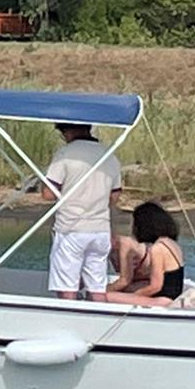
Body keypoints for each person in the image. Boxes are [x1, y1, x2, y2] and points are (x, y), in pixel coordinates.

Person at [40, 122, 122, 301]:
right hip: (100, 230)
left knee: (66, 286)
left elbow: (48, 194)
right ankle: (98, 315)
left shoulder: (65, 154)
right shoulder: (109, 155)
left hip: (71, 228)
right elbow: (114, 196)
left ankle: (68, 314)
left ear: (68, 132)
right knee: (97, 287)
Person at [107, 202, 185, 307]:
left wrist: (133, 296)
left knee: (108, 296)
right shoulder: (171, 243)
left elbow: (155, 286)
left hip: (163, 299)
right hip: (172, 295)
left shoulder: (157, 249)